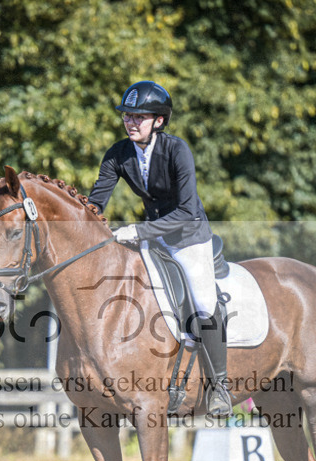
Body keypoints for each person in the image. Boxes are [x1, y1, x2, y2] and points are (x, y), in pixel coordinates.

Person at [88, 80, 232, 417]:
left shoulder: (177, 150)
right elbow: (95, 203)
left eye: (140, 117)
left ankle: (219, 386)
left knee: (202, 302)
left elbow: (186, 212)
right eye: (127, 116)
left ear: (159, 121)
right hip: (154, 240)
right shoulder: (118, 154)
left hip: (189, 236)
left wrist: (138, 230)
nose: (131, 122)